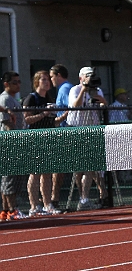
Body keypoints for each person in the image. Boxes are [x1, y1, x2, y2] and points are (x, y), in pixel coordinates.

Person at [68, 67, 109, 210]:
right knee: (81, 168)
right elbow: (75, 105)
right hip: (78, 129)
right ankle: (83, 197)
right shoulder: (74, 90)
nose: (90, 79)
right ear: (81, 78)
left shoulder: (97, 90)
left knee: (92, 166)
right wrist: (84, 90)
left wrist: (100, 98)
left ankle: (95, 196)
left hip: (93, 129)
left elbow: (104, 105)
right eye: (87, 76)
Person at [23, 71, 61, 216]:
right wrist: (44, 113)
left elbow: (52, 121)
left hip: (48, 138)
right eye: (43, 80)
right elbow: (26, 119)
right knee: (35, 173)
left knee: (47, 173)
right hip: (35, 138)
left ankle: (47, 204)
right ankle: (34, 206)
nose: (47, 82)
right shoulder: (31, 98)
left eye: (48, 80)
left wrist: (62, 115)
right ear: (37, 81)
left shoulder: (49, 98)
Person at [0, 72, 27, 220]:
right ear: (6, 84)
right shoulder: (5, 99)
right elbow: (7, 123)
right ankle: (11, 209)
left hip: (14, 142)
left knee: (12, 178)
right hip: (9, 143)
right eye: (14, 82)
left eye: (19, 81)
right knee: (9, 178)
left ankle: (6, 210)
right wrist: (15, 140)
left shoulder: (13, 99)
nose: (18, 85)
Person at [49, 64, 73, 210]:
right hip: (65, 130)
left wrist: (57, 120)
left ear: (58, 75)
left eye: (52, 76)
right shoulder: (66, 88)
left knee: (59, 167)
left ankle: (54, 198)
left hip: (64, 131)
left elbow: (70, 109)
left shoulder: (64, 88)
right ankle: (54, 197)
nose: (51, 80)